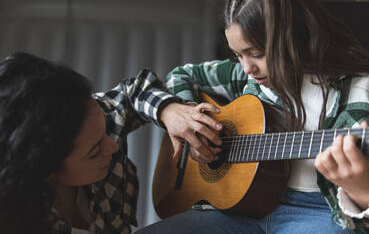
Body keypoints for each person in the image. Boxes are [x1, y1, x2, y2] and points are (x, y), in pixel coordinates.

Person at [135, 0, 369, 233]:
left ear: (296, 36)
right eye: (238, 55)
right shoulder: (247, 77)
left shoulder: (360, 89)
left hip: (317, 212)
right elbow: (181, 75)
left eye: (256, 54)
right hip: (237, 210)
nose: (247, 68)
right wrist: (182, 113)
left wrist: (365, 194)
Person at [0, 52, 222, 234]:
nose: (112, 147)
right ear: (47, 171)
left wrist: (169, 110)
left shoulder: (89, 118)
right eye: (95, 151)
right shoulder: (20, 220)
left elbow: (133, 92)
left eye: (105, 132)